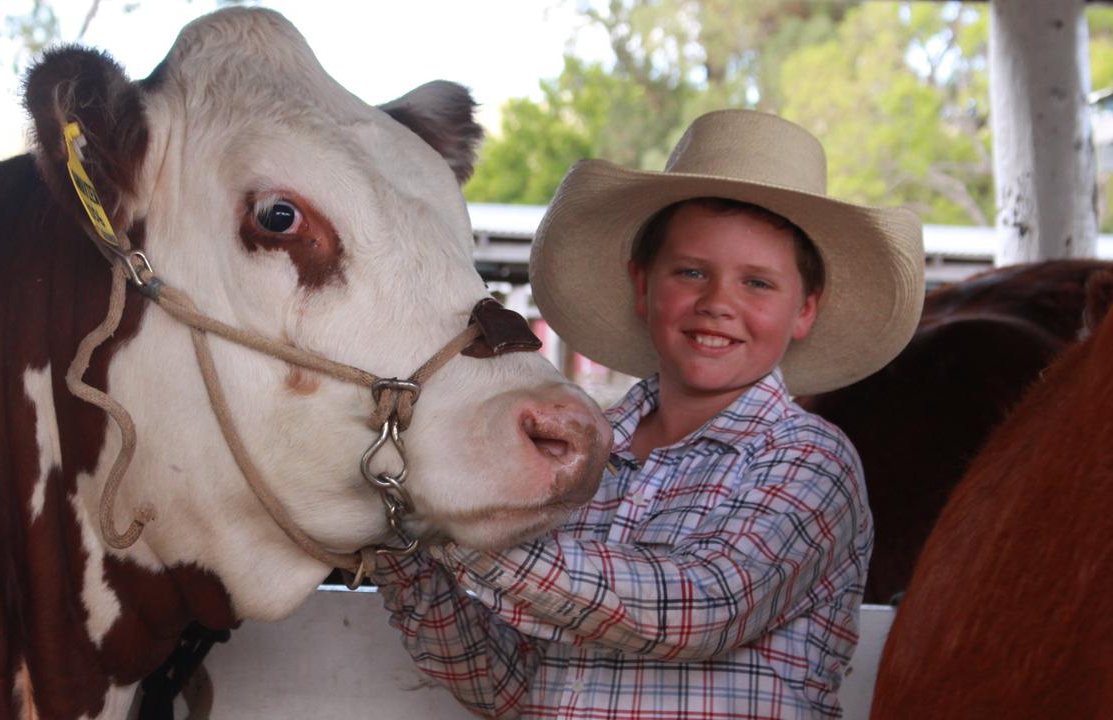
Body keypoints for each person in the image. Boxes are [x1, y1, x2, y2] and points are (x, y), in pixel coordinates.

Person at [372, 109, 925, 719]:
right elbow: (505, 684)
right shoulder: (584, 456)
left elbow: (707, 609)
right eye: (691, 272)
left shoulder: (809, 459)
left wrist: (462, 527)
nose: (717, 303)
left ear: (805, 310)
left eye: (758, 284)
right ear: (643, 286)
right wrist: (406, 548)